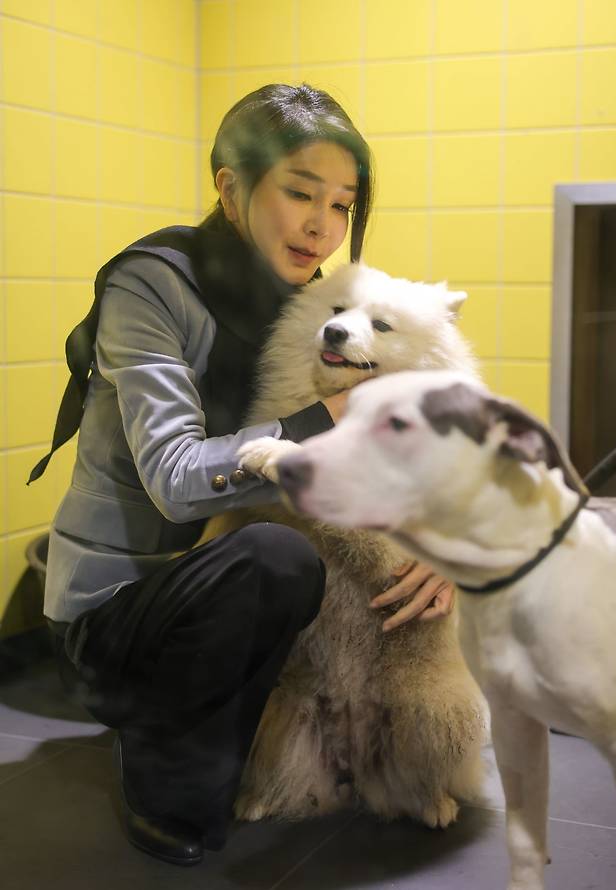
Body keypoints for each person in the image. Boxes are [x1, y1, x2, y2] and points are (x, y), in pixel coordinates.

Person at [30, 83, 454, 867]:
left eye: (342, 204)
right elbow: (175, 481)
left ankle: (240, 726)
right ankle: (159, 743)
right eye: (300, 193)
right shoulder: (150, 286)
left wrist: (440, 539)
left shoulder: (312, 310)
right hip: (119, 613)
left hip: (231, 592)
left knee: (319, 565)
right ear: (231, 189)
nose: (322, 225)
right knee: (275, 553)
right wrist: (330, 415)